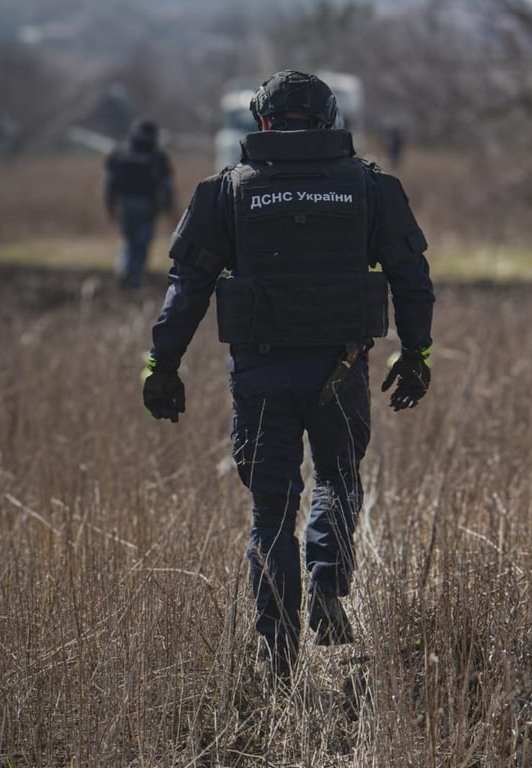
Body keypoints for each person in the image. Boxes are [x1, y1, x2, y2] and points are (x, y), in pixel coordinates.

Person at [142, 70, 435, 685]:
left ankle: (277, 656)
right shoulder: (370, 187)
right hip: (342, 368)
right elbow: (412, 277)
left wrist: (162, 365)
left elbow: (187, 286)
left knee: (272, 510)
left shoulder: (226, 191)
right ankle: (327, 583)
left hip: (262, 374)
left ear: (262, 122)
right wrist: (416, 354)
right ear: (328, 120)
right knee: (338, 476)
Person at [104, 119, 175, 291]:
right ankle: (134, 279)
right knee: (142, 242)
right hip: (148, 206)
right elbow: (166, 186)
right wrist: (168, 207)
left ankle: (123, 271)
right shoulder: (158, 156)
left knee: (128, 240)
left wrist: (110, 206)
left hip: (125, 205)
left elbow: (110, 183)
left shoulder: (120, 153)